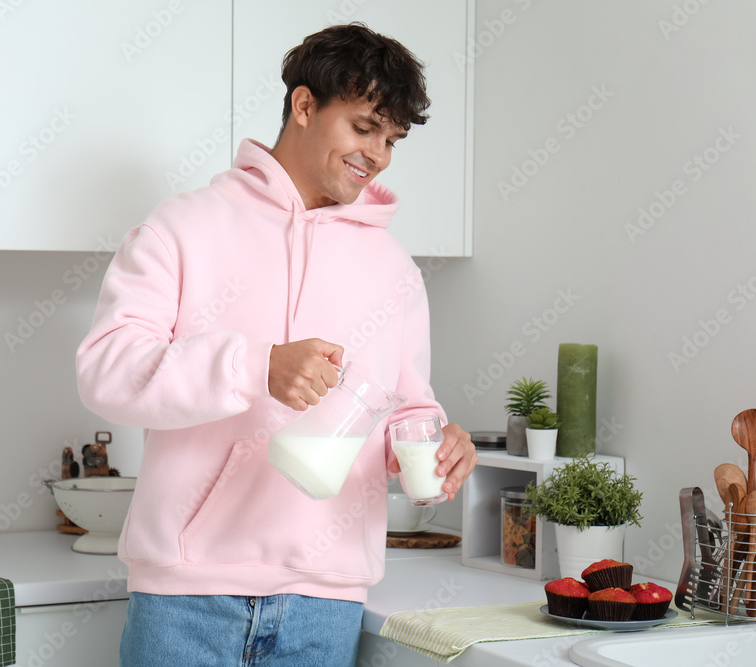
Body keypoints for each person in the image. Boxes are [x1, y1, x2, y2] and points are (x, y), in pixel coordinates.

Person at [76, 22, 477, 666]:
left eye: (392, 139)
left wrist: (433, 447)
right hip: (186, 597)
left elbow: (404, 407)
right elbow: (107, 371)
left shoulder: (393, 267)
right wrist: (255, 366)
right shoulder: (183, 228)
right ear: (304, 105)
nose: (378, 154)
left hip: (326, 604)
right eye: (364, 127)